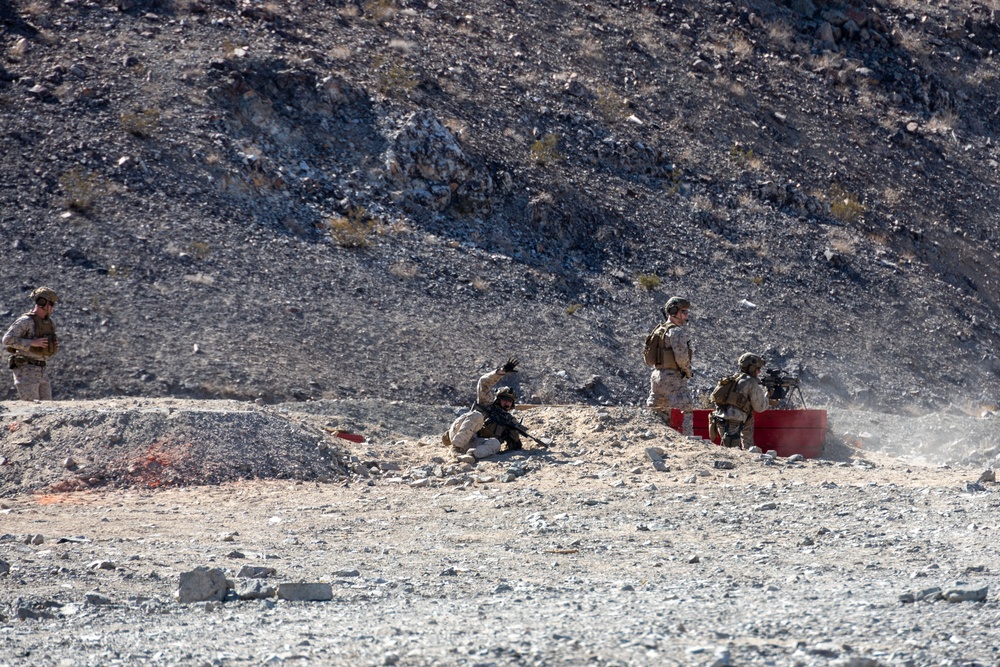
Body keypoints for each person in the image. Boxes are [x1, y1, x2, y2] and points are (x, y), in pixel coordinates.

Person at [444, 357, 523, 459]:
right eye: (504, 399)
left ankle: (471, 456)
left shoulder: (509, 420)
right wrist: (502, 371)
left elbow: (515, 447)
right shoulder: (487, 403)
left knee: (496, 444)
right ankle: (455, 449)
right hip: (458, 436)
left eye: (510, 401)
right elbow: (483, 382)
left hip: (474, 442)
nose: (507, 403)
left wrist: (514, 432)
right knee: (477, 415)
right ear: (498, 399)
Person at [645, 296, 694, 435]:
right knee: (687, 409)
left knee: (657, 413)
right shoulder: (677, 332)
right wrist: (687, 371)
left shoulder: (659, 330)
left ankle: (657, 439)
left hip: (656, 376)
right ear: (674, 311)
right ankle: (689, 442)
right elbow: (682, 357)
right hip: (672, 378)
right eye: (683, 312)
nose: (686, 316)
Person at [3, 287, 60, 401]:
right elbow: (7, 339)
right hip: (26, 371)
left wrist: (53, 346)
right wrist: (32, 343)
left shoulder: (49, 323)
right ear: (42, 302)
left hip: (41, 370)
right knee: (32, 409)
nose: (53, 308)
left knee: (47, 410)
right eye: (51, 304)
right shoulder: (25, 321)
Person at [709, 353, 772, 449]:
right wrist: (768, 396)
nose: (759, 372)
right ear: (751, 368)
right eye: (757, 368)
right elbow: (760, 407)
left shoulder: (732, 378)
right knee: (731, 454)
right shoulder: (751, 382)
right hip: (733, 424)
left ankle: (748, 451)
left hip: (721, 421)